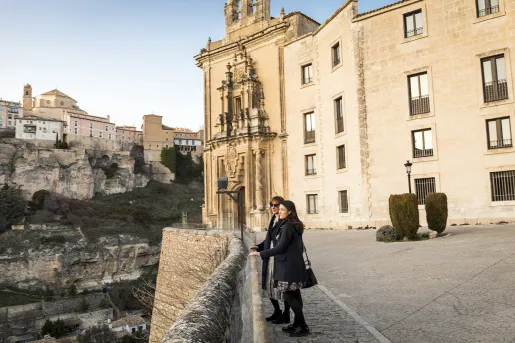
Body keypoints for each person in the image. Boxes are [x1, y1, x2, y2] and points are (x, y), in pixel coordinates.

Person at [249, 200, 310, 337]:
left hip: (287, 267)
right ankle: (297, 324)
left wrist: (260, 253)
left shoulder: (288, 226)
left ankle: (303, 326)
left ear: (290, 211)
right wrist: (260, 246)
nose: (279, 211)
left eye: (282, 209)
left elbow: (280, 247)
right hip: (292, 265)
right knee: (294, 296)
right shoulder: (291, 224)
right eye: (279, 209)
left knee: (290, 296)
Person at [249, 196, 291, 324]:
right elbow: (269, 238)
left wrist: (261, 253)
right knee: (269, 285)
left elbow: (282, 244)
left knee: (283, 288)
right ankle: (277, 311)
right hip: (270, 257)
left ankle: (286, 314)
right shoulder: (273, 219)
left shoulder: (284, 222)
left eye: (276, 205)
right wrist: (258, 246)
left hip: (279, 258)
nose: (273, 207)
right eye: (271, 205)